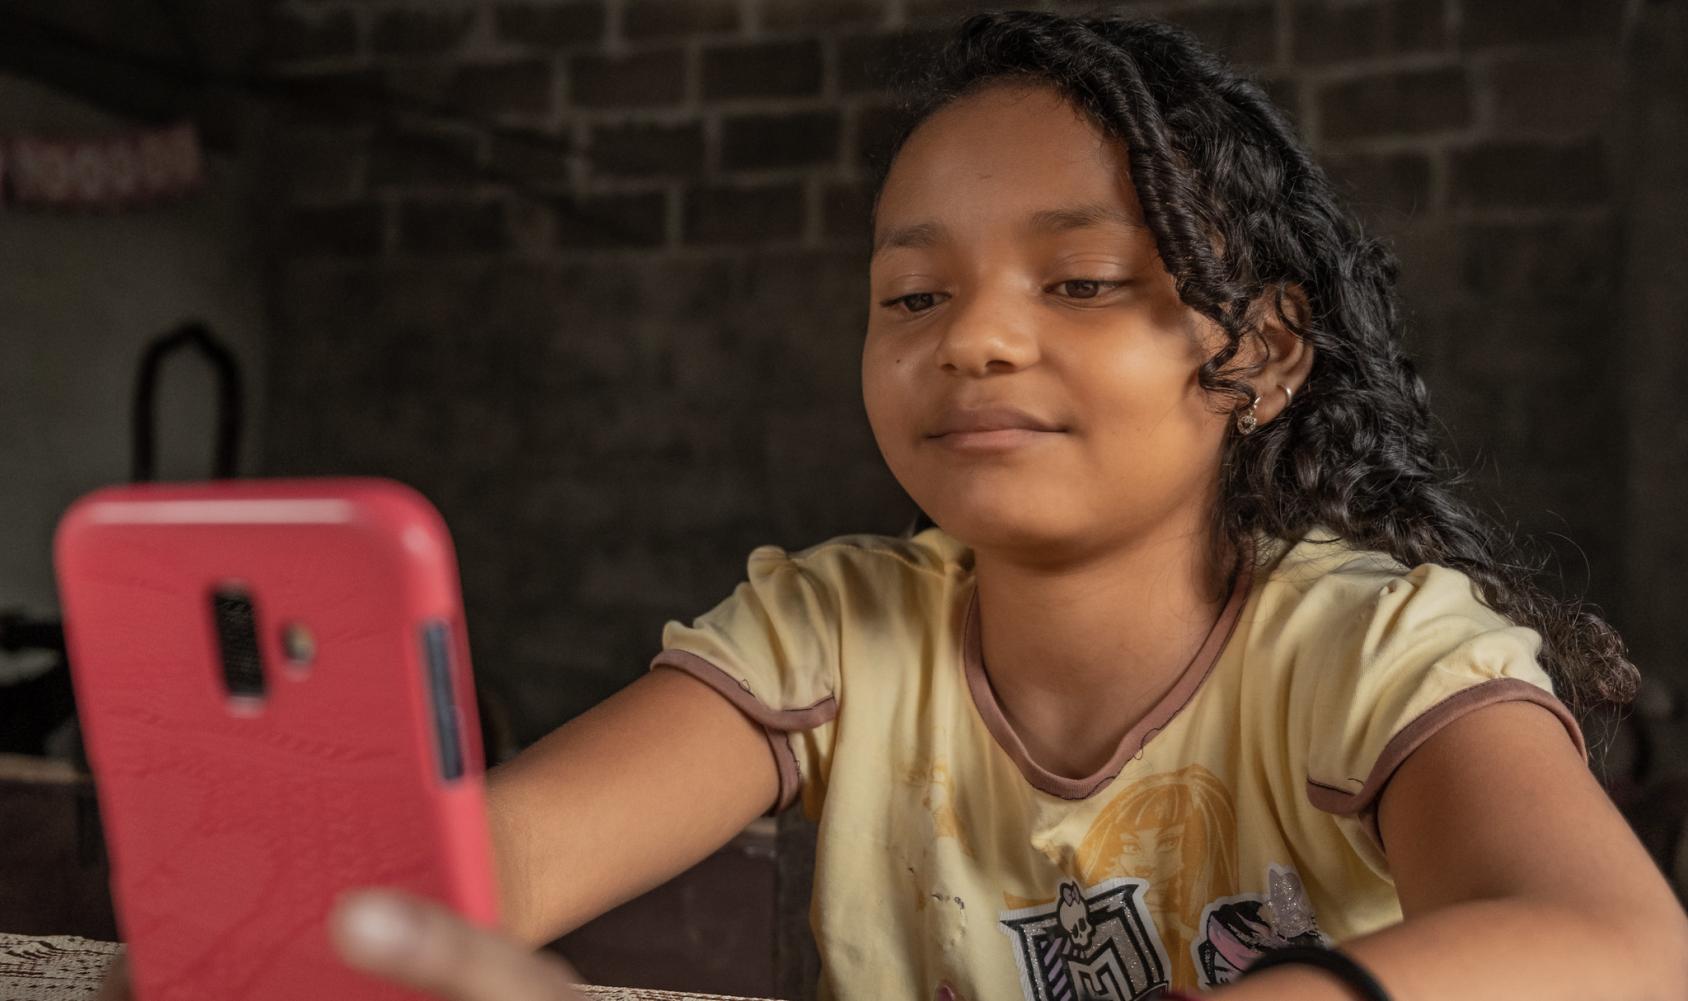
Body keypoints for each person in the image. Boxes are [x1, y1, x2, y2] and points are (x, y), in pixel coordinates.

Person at [96, 9, 1688, 1001]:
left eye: (1078, 279)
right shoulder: (834, 632)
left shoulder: (1373, 646)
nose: (976, 336)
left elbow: (1621, 946)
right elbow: (484, 877)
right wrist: (332, 911)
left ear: (1262, 351)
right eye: (911, 295)